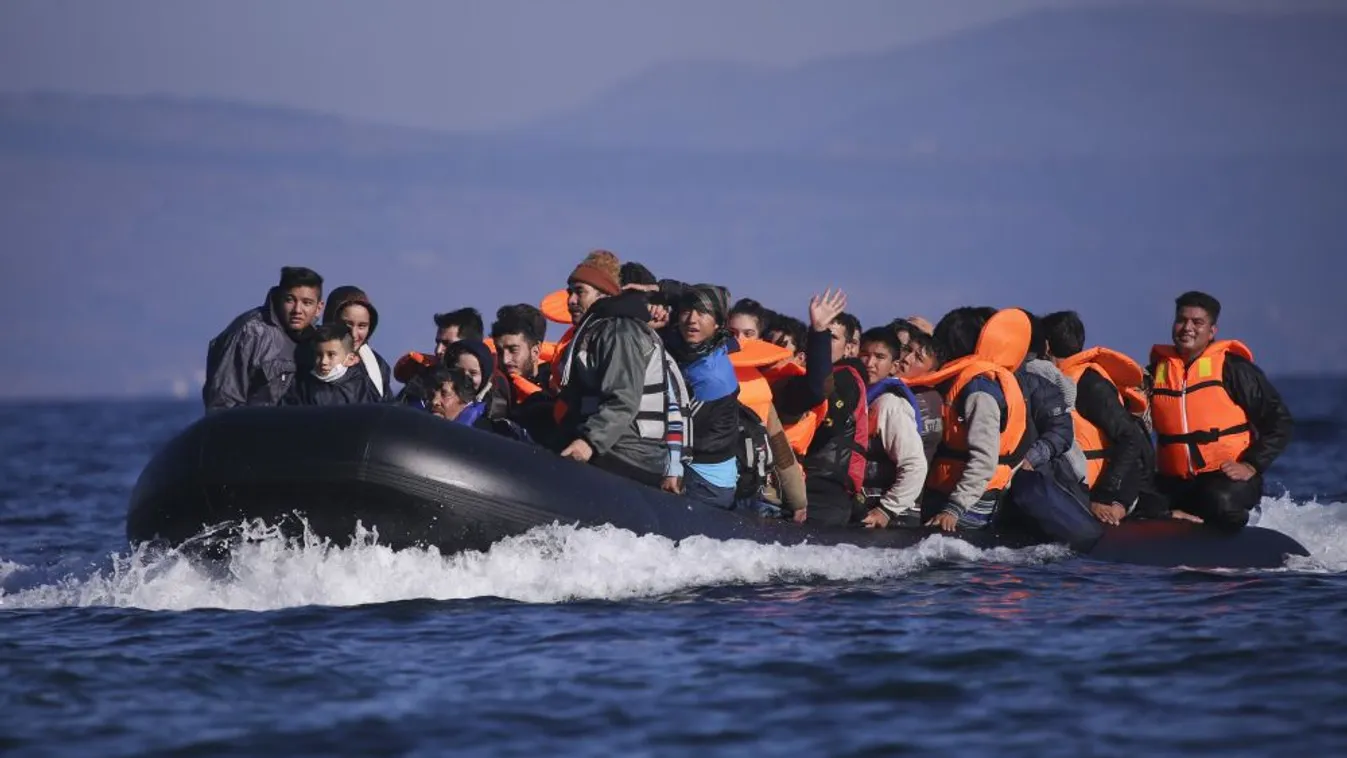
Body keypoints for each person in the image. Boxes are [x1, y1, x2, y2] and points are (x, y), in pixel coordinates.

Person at [1146, 291, 1293, 529]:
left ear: (1212, 331)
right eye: (1182, 320)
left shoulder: (1233, 369)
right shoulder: (1155, 373)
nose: (1187, 328)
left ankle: (1231, 535)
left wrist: (1251, 465)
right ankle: (1173, 517)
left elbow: (1280, 422)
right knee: (1129, 497)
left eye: (1197, 322)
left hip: (1225, 480)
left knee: (1219, 502)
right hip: (1172, 482)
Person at [555, 250, 687, 487]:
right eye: (570, 292)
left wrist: (588, 444)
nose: (571, 301)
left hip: (629, 453)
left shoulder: (620, 333)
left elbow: (623, 399)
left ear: (603, 294)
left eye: (580, 292)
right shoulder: (596, 330)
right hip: (613, 444)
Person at [911, 307, 1030, 532]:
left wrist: (954, 508)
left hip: (966, 504)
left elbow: (984, 459)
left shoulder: (979, 391)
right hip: (956, 495)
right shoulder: (977, 380)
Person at [1043, 310, 1153, 526]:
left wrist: (1105, 497)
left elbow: (1129, 437)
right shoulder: (1055, 379)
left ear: (1046, 346)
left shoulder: (1089, 383)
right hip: (1076, 486)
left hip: (1105, 491)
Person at [203, 266, 323, 411]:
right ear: (279, 298)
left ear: (318, 307)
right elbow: (222, 404)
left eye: (307, 302)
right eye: (290, 300)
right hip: (255, 431)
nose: (297, 310)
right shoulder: (250, 333)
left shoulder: (320, 342)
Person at [665, 284, 742, 507]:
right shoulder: (689, 348)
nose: (692, 319)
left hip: (707, 482)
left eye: (703, 313)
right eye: (687, 311)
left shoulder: (713, 376)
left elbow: (678, 425)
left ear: (718, 323)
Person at [857, 327, 928, 527]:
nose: (870, 363)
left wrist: (886, 510)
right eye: (864, 355)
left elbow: (915, 465)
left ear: (894, 366)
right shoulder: (861, 398)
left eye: (879, 357)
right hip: (870, 508)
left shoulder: (890, 404)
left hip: (892, 517)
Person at [281, 323, 383, 406]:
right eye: (319, 355)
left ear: (350, 359)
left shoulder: (363, 389)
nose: (323, 361)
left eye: (331, 355)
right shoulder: (301, 386)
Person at [322, 286, 393, 401]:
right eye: (347, 324)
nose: (354, 334)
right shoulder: (307, 356)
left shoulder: (378, 366)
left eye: (362, 326)